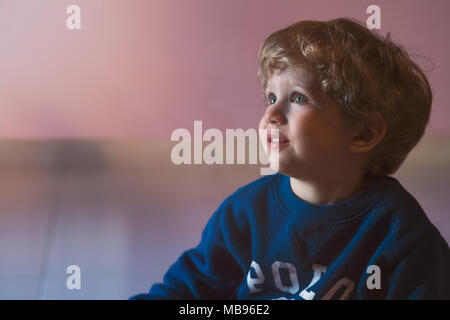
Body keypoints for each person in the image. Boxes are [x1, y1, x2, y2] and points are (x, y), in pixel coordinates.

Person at [131, 18, 450, 299]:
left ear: (363, 134)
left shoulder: (399, 230)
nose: (270, 114)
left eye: (298, 98)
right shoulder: (245, 213)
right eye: (270, 97)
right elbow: (185, 292)